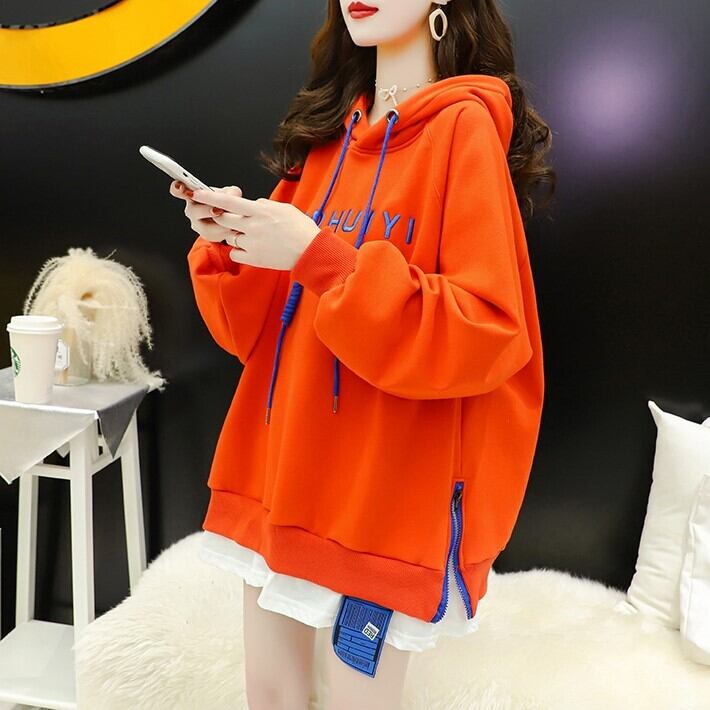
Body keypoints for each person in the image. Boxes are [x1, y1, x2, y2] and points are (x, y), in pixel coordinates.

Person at [173, 1, 555, 707]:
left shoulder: (462, 127)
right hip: (279, 476)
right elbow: (256, 333)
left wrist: (322, 258)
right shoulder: (329, 136)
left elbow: (488, 330)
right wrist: (231, 240)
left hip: (383, 499)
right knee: (270, 697)